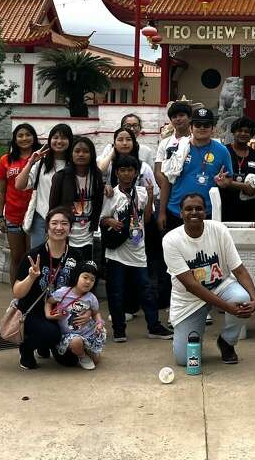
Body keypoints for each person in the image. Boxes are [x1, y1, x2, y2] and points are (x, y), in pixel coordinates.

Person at [163, 192, 255, 366]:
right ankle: (191, 335)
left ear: (205, 211)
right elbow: (191, 286)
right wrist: (227, 308)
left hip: (221, 286)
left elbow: (239, 270)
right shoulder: (171, 240)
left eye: (199, 208)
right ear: (181, 213)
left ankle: (227, 342)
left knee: (243, 299)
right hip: (189, 299)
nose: (194, 212)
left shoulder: (218, 230)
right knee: (185, 360)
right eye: (188, 209)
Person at [101, 154, 172, 341]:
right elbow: (101, 219)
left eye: (130, 170)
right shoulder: (111, 194)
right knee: (116, 292)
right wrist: (110, 221)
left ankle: (154, 326)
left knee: (147, 290)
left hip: (138, 248)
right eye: (122, 170)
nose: (126, 174)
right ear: (116, 172)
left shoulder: (141, 192)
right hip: (117, 251)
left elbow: (146, 219)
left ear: (135, 173)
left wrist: (149, 197)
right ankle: (118, 329)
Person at [12, 208, 82, 370]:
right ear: (47, 227)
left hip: (62, 314)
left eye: (64, 224)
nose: (59, 228)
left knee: (70, 361)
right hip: (34, 312)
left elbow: (82, 289)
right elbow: (17, 292)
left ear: (70, 228)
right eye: (54, 223)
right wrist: (31, 277)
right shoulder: (33, 255)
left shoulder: (76, 256)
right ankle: (27, 349)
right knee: (51, 333)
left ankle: (47, 345)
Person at [157, 107, 233, 231]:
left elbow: (228, 179)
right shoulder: (177, 148)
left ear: (213, 129)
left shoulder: (222, 151)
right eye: (198, 125)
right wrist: (162, 213)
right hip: (176, 211)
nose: (202, 128)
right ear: (191, 128)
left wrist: (224, 183)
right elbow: (167, 181)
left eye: (206, 125)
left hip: (206, 213)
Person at [151, 101, 193, 311]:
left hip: (193, 204)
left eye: (182, 115)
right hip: (170, 201)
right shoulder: (165, 143)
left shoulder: (195, 141)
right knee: (169, 253)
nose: (178, 119)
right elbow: (159, 170)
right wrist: (168, 183)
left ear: (189, 117)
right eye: (174, 116)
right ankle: (166, 298)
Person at [48, 135, 105, 265]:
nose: (81, 154)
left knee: (85, 271)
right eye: (77, 151)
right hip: (66, 232)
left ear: (92, 154)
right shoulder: (60, 176)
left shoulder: (96, 175)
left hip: (88, 233)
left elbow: (99, 202)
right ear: (71, 153)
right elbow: (53, 206)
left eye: (85, 151)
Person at [0, 123, 38, 284]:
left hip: (34, 214)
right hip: (13, 215)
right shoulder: (6, 160)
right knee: (16, 256)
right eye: (20, 135)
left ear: (33, 137)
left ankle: (30, 293)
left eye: (28, 134)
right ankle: (16, 294)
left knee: (31, 256)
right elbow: (1, 191)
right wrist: (0, 216)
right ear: (14, 139)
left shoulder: (40, 158)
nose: (24, 138)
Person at [21, 124, 73, 250]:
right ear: (50, 140)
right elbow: (20, 185)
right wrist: (31, 162)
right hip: (41, 219)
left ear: (70, 141)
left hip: (66, 221)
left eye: (64, 138)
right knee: (39, 258)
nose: (59, 141)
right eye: (55, 137)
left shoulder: (74, 164)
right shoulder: (42, 163)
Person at [48, 261, 107, 370]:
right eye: (85, 277)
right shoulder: (63, 292)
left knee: (96, 361)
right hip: (69, 335)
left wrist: (99, 323)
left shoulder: (91, 298)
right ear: (76, 276)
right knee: (76, 342)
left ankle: (88, 350)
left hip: (88, 333)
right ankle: (82, 356)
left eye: (92, 279)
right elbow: (48, 302)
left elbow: (96, 313)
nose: (88, 282)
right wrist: (48, 314)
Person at [221, 116, 255, 222]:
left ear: (251, 135)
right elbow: (218, 178)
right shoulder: (223, 151)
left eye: (247, 131)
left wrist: (253, 188)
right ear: (233, 132)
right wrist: (244, 186)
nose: (243, 134)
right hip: (226, 206)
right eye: (239, 130)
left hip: (250, 208)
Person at [100, 126, 157, 192]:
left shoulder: (143, 167)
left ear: (134, 143)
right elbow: (100, 171)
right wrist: (112, 152)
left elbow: (153, 192)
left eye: (128, 139)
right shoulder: (109, 165)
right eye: (120, 140)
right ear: (114, 144)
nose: (124, 143)